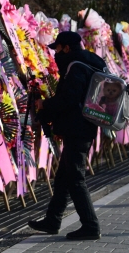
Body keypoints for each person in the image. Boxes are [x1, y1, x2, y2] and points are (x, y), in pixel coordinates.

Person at [29, 31, 104, 240]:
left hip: (78, 129)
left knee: (75, 177)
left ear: (67, 48)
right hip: (82, 127)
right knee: (63, 176)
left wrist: (45, 105)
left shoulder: (76, 66)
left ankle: (91, 225)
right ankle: (53, 219)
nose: (55, 54)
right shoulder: (86, 62)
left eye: (58, 49)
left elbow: (69, 99)